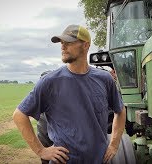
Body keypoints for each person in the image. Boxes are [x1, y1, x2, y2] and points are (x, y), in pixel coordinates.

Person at [13, 24, 126, 163]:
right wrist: (41, 150)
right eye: (61, 43)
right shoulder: (50, 81)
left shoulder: (104, 79)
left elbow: (120, 111)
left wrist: (114, 145)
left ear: (85, 45)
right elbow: (19, 115)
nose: (62, 47)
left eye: (68, 43)